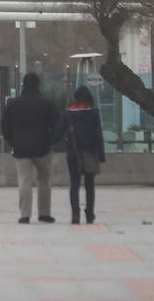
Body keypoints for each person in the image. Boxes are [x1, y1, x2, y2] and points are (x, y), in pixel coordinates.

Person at [1, 72, 64, 224]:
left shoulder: (14, 105)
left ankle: (25, 214)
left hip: (21, 149)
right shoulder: (46, 104)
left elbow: (5, 127)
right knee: (44, 180)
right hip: (42, 147)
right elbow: (58, 124)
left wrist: (13, 142)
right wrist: (51, 141)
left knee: (24, 181)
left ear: (23, 85)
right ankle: (44, 213)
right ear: (38, 85)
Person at [63, 85, 105, 224]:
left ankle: (75, 214)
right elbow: (98, 134)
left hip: (73, 153)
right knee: (89, 185)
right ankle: (89, 214)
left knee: (74, 184)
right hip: (90, 153)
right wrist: (101, 154)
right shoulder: (93, 112)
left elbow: (60, 130)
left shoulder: (69, 113)